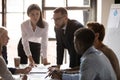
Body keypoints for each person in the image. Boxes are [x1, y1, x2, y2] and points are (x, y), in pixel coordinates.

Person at [47, 28, 117, 80]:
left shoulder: (89, 60)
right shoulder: (98, 54)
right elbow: (83, 75)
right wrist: (62, 75)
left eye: (74, 42)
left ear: (79, 44)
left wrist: (61, 76)